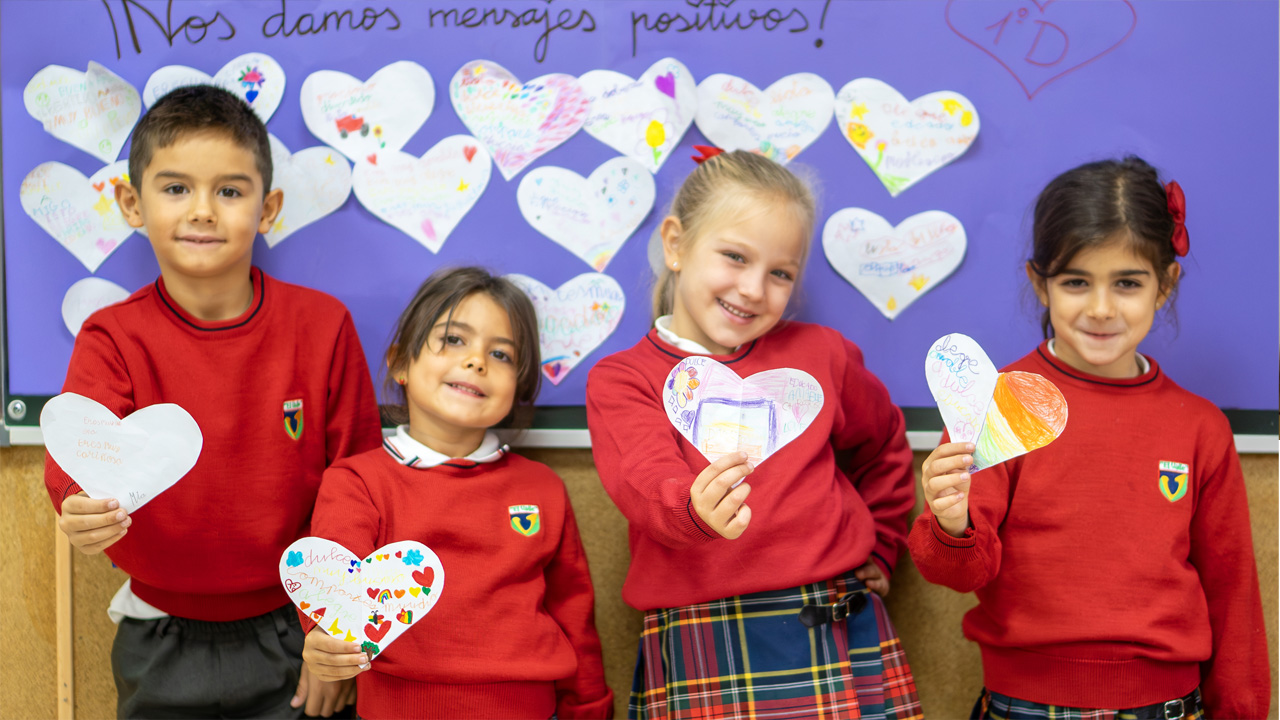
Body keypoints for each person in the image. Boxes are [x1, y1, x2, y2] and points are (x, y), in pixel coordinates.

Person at [44, 84, 383, 718]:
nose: (203, 211)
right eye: (175, 188)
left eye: (229, 191)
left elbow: (357, 483)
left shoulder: (322, 326)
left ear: (268, 207)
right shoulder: (111, 336)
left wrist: (333, 629)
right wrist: (77, 503)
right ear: (131, 204)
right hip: (158, 633)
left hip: (295, 634)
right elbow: (79, 448)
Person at [909, 157, 1270, 719]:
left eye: (1127, 283)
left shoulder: (1199, 426)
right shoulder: (998, 402)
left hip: (1169, 705)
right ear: (1040, 282)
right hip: (1026, 704)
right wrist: (951, 522)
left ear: (1165, 285)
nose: (1101, 309)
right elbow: (959, 572)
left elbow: (1232, 592)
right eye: (1076, 282)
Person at [586, 147, 921, 720]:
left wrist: (884, 543)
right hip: (704, 641)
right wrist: (692, 508)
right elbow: (641, 478)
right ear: (676, 245)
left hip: (835, 624)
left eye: (780, 273)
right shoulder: (624, 379)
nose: (752, 288)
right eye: (735, 257)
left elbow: (885, 446)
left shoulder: (823, 357)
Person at [300, 267, 613, 719]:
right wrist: (323, 637)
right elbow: (334, 578)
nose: (477, 361)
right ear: (400, 362)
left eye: (502, 354)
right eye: (453, 340)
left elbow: (575, 617)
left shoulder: (542, 488)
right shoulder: (357, 482)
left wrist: (589, 709)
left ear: (518, 387)